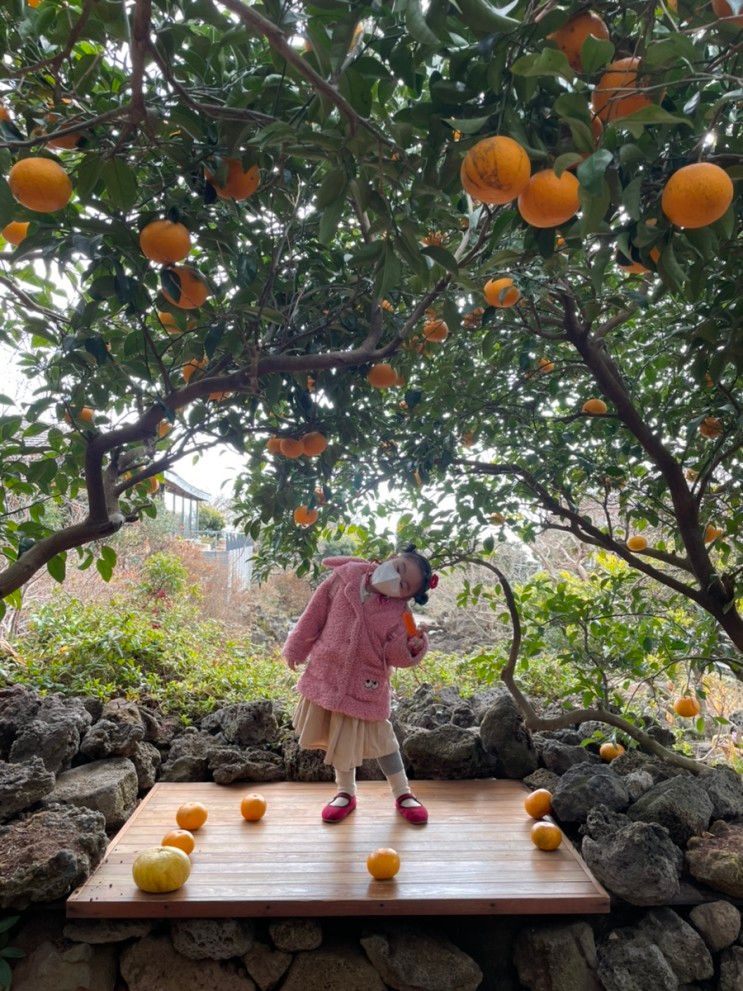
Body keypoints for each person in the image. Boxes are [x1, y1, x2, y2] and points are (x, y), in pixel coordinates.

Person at [282, 544, 438, 824]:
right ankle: (345, 792)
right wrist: (296, 648)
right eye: (399, 568)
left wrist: (414, 645)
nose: (395, 579)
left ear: (406, 597)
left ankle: (403, 792)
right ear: (392, 558)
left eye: (403, 585)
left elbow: (396, 656)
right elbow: (314, 613)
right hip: (328, 672)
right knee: (339, 738)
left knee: (383, 738)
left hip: (367, 684)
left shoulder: (399, 615)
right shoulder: (344, 577)